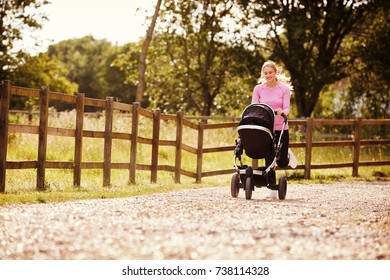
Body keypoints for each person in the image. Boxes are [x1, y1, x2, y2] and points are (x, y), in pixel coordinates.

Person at [251, 61, 297, 199]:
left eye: (270, 72)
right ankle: (271, 189)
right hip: (266, 128)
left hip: (280, 126)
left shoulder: (284, 90)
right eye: (265, 73)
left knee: (282, 162)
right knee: (269, 158)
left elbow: (287, 108)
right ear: (263, 74)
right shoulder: (258, 89)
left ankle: (286, 153)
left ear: (275, 72)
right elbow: (254, 106)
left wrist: (282, 112)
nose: (268, 75)